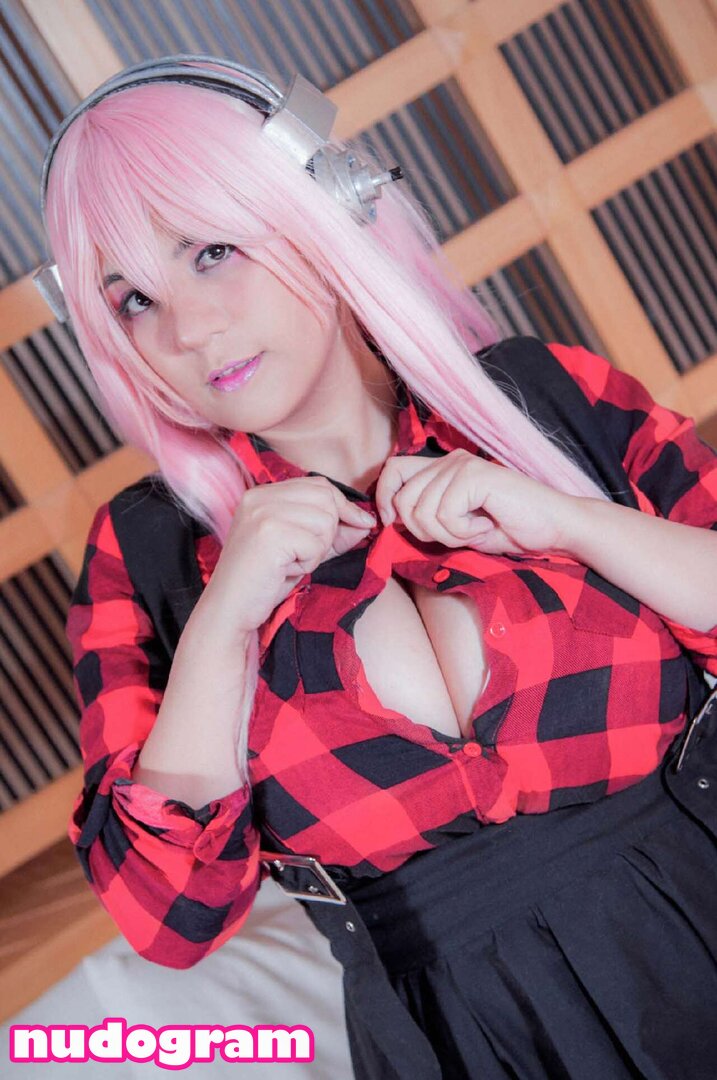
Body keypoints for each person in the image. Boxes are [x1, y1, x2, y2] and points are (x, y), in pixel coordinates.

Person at [38, 54, 717, 1079]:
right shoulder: (148, 554)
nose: (187, 329)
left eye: (213, 251)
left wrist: (569, 521)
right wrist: (223, 622)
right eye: (132, 299)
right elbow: (171, 918)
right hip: (471, 1046)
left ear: (318, 209)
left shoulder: (544, 401)